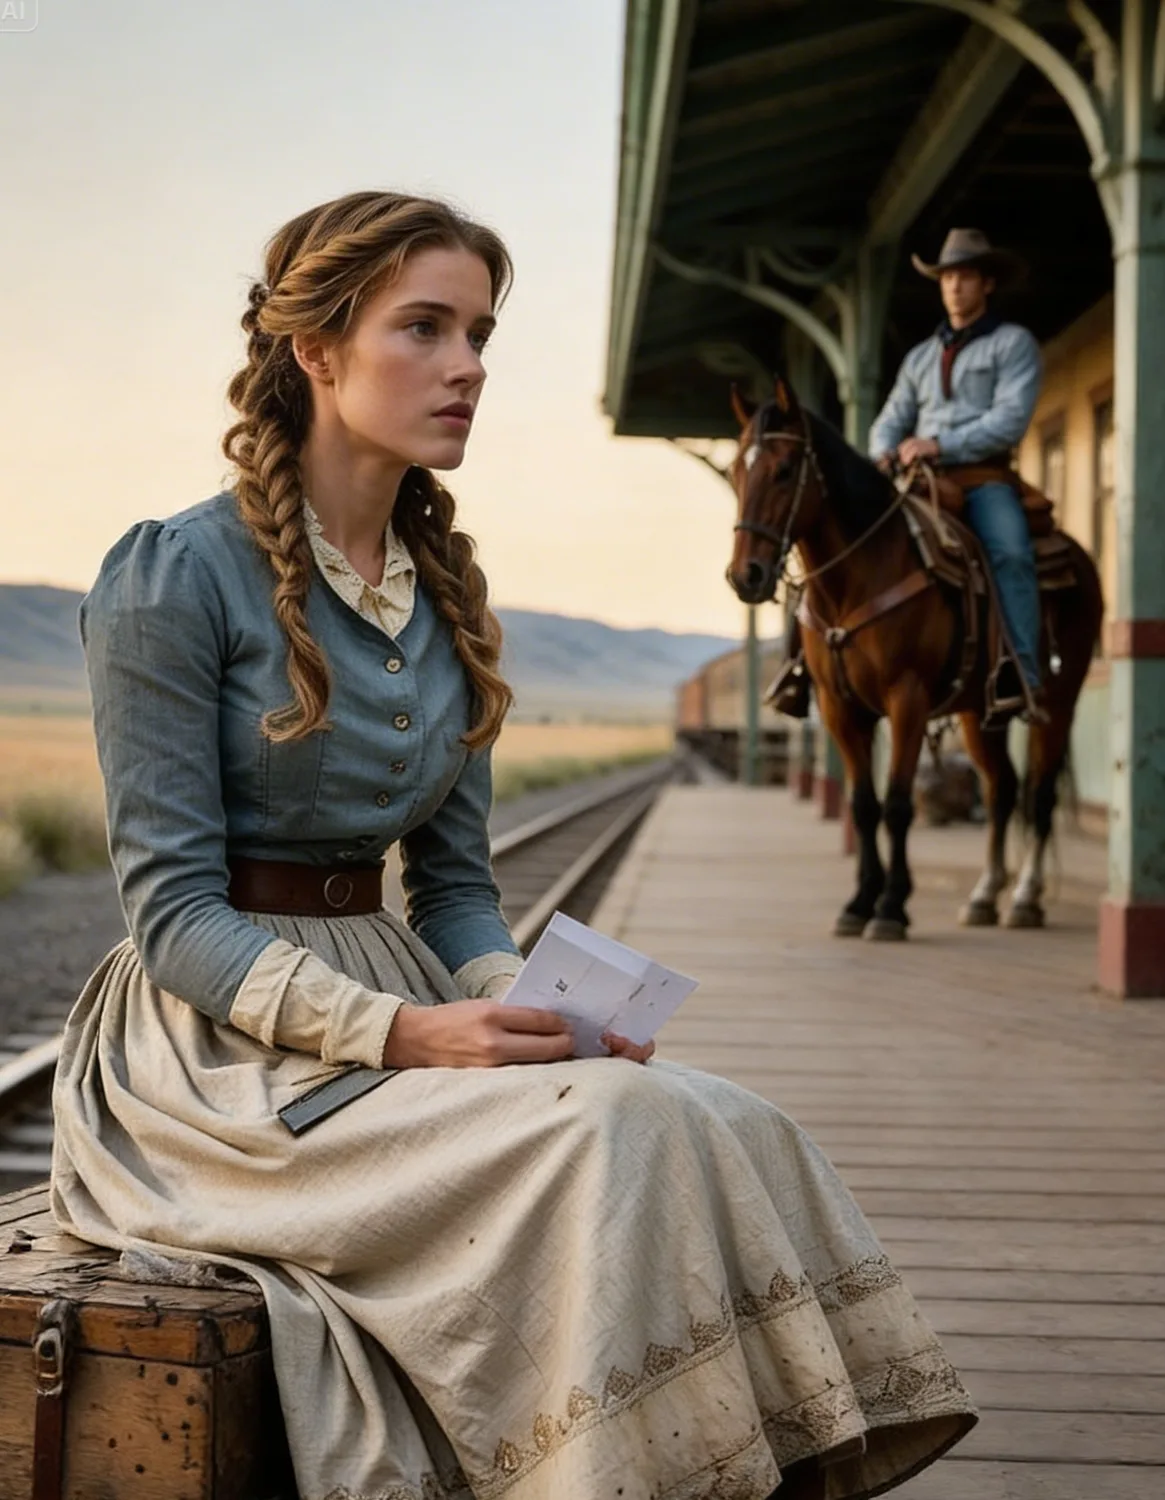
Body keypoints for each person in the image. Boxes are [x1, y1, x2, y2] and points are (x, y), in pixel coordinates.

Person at [51, 191, 976, 1500]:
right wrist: (413, 1035)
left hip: (397, 998)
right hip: (218, 1061)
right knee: (615, 1138)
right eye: (423, 327)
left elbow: (459, 890)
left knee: (720, 1117)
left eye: (480, 331)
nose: (470, 365)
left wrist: (523, 1005)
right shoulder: (172, 575)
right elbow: (175, 919)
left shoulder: (445, 597)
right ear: (315, 348)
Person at [769, 228, 1044, 723]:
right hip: (916, 479)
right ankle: (799, 668)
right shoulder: (920, 357)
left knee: (1010, 554)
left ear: (987, 284)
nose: (954, 287)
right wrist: (882, 454)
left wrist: (941, 443)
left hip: (983, 478)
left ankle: (1020, 672)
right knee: (837, 545)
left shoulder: (1012, 344)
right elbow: (891, 419)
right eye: (947, 278)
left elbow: (1010, 419)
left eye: (965, 277)